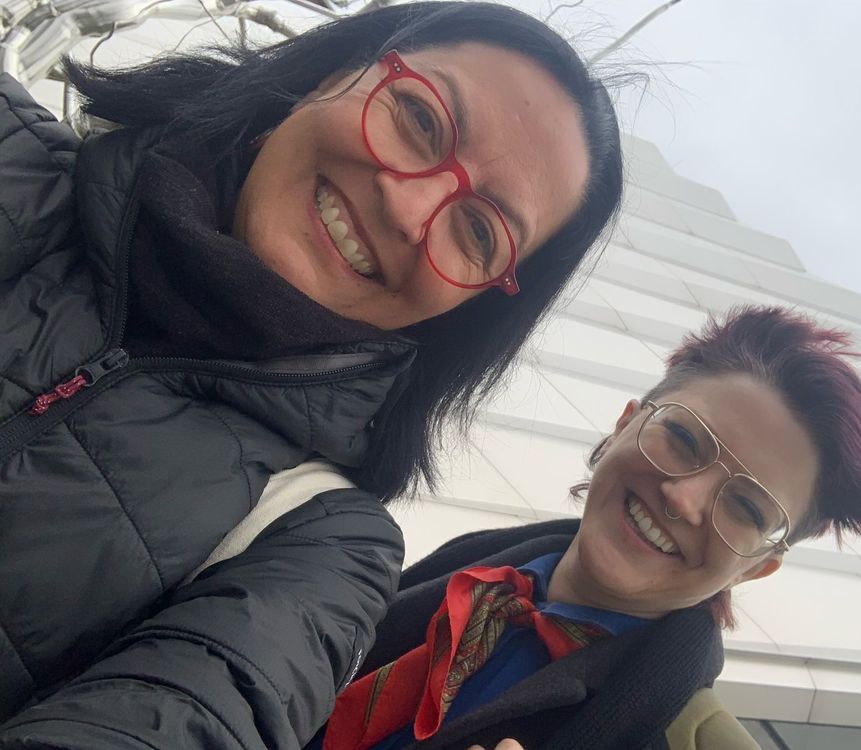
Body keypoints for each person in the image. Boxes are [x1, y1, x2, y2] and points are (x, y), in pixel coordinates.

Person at [0, 0, 623, 743]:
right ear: (333, 70)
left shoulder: (321, 549)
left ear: (470, 308)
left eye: (479, 231)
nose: (409, 204)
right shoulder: (15, 159)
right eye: (420, 119)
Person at [302, 306, 861, 750]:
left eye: (745, 507)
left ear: (758, 566)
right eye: (685, 438)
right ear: (624, 427)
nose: (685, 498)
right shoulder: (451, 570)